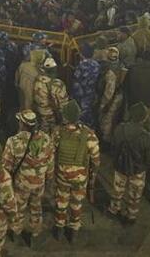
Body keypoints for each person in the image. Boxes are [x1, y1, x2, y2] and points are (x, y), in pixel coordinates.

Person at [1, 110, 54, 247]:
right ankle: (35, 232)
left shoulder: (13, 142)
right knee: (36, 207)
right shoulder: (46, 139)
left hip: (21, 184)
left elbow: (6, 167)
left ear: (23, 124)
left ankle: (16, 231)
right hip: (39, 183)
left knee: (19, 208)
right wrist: (48, 179)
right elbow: (50, 163)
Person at [51, 100, 100, 243]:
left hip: (62, 175)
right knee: (77, 202)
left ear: (65, 116)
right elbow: (96, 160)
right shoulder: (89, 134)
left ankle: (59, 228)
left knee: (61, 201)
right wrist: (92, 176)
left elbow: (51, 153)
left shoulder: (58, 132)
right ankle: (74, 231)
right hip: (80, 176)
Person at [109, 103, 150, 224]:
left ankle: (113, 209)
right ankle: (131, 216)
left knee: (117, 190)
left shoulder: (119, 129)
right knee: (134, 195)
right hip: (138, 170)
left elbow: (113, 146)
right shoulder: (147, 137)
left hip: (120, 166)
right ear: (144, 118)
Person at [98, 47, 127, 143]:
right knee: (114, 119)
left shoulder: (110, 73)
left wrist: (106, 104)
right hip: (119, 97)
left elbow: (109, 92)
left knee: (107, 120)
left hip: (111, 98)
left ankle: (106, 141)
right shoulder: (121, 67)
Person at [32, 57, 68, 133]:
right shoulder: (58, 84)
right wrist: (65, 121)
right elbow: (63, 104)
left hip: (40, 115)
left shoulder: (37, 80)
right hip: (52, 117)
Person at [70, 45, 101, 128]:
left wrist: (73, 97)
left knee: (82, 113)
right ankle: (91, 127)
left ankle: (83, 129)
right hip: (92, 92)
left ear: (82, 54)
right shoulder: (96, 64)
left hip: (82, 94)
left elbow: (76, 82)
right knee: (89, 110)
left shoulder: (81, 66)